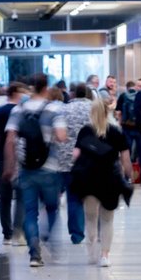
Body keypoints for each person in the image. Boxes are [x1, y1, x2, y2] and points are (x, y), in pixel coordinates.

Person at [4, 74, 68, 267]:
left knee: (30, 211)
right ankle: (47, 236)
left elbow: (10, 140)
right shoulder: (54, 109)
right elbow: (61, 136)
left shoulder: (18, 110)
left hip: (26, 168)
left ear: (31, 88)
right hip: (50, 167)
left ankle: (34, 254)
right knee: (52, 208)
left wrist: (9, 166)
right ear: (46, 87)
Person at [69, 97, 132, 267]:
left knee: (90, 218)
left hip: (88, 179)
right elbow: (125, 158)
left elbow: (75, 155)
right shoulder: (116, 132)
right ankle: (105, 256)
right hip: (110, 179)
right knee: (107, 219)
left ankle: (92, 251)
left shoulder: (85, 131)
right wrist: (128, 176)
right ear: (107, 112)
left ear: (92, 112)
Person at [0, 82, 26, 246]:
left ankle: (7, 235)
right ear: (16, 92)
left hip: (2, 156)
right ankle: (18, 231)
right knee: (21, 195)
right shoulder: (23, 112)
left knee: (4, 197)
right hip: (21, 157)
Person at [61, 83, 93, 245]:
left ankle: (77, 234)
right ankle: (96, 231)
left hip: (69, 160)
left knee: (73, 198)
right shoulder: (95, 109)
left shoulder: (64, 109)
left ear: (73, 94)